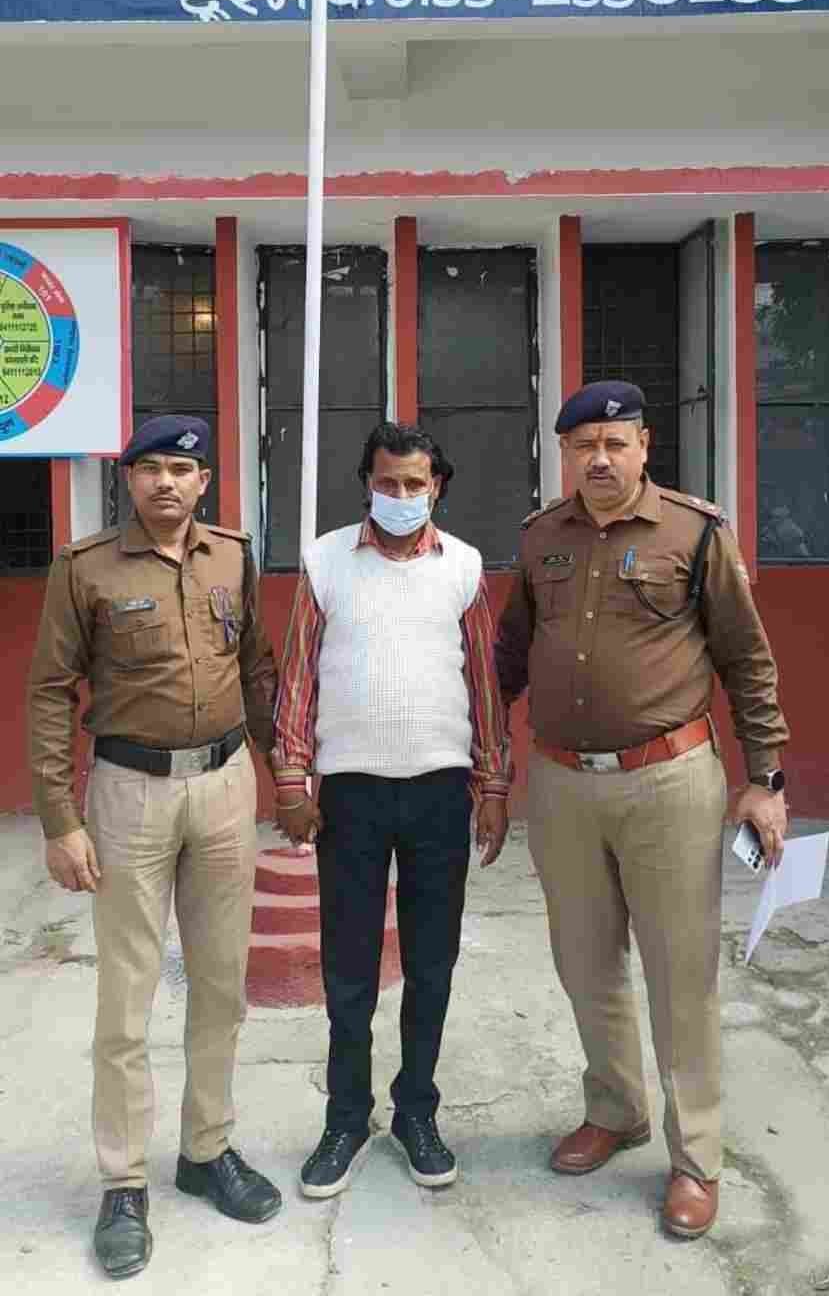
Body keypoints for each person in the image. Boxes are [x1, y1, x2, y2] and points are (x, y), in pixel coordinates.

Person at [494, 381, 789, 1240]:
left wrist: (766, 778)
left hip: (670, 781)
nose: (599, 459)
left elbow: (747, 660)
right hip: (561, 785)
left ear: (644, 446)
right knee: (585, 961)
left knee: (680, 971)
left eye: (614, 443)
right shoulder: (540, 537)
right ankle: (616, 1107)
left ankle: (696, 1155)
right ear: (564, 453)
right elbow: (509, 655)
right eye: (583, 445)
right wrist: (479, 750)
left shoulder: (695, 533)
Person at [28, 415, 282, 1280]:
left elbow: (257, 667)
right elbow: (50, 691)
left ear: (204, 480)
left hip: (225, 786)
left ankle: (207, 1148)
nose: (165, 482)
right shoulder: (85, 567)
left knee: (220, 984)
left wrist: (284, 772)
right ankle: (124, 1180)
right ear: (127, 479)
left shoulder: (233, 557)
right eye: (149, 468)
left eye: (181, 467)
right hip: (129, 792)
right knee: (127, 996)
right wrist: (60, 818)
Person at [272, 421, 511, 1199]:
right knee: (347, 968)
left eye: (414, 483)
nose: (401, 495)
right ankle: (346, 1117)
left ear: (435, 485)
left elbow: (483, 683)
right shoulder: (326, 561)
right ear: (366, 483)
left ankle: (416, 1112)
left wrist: (494, 785)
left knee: (431, 964)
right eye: (387, 482)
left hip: (441, 790)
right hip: (352, 794)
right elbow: (299, 675)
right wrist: (291, 779)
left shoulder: (464, 567)